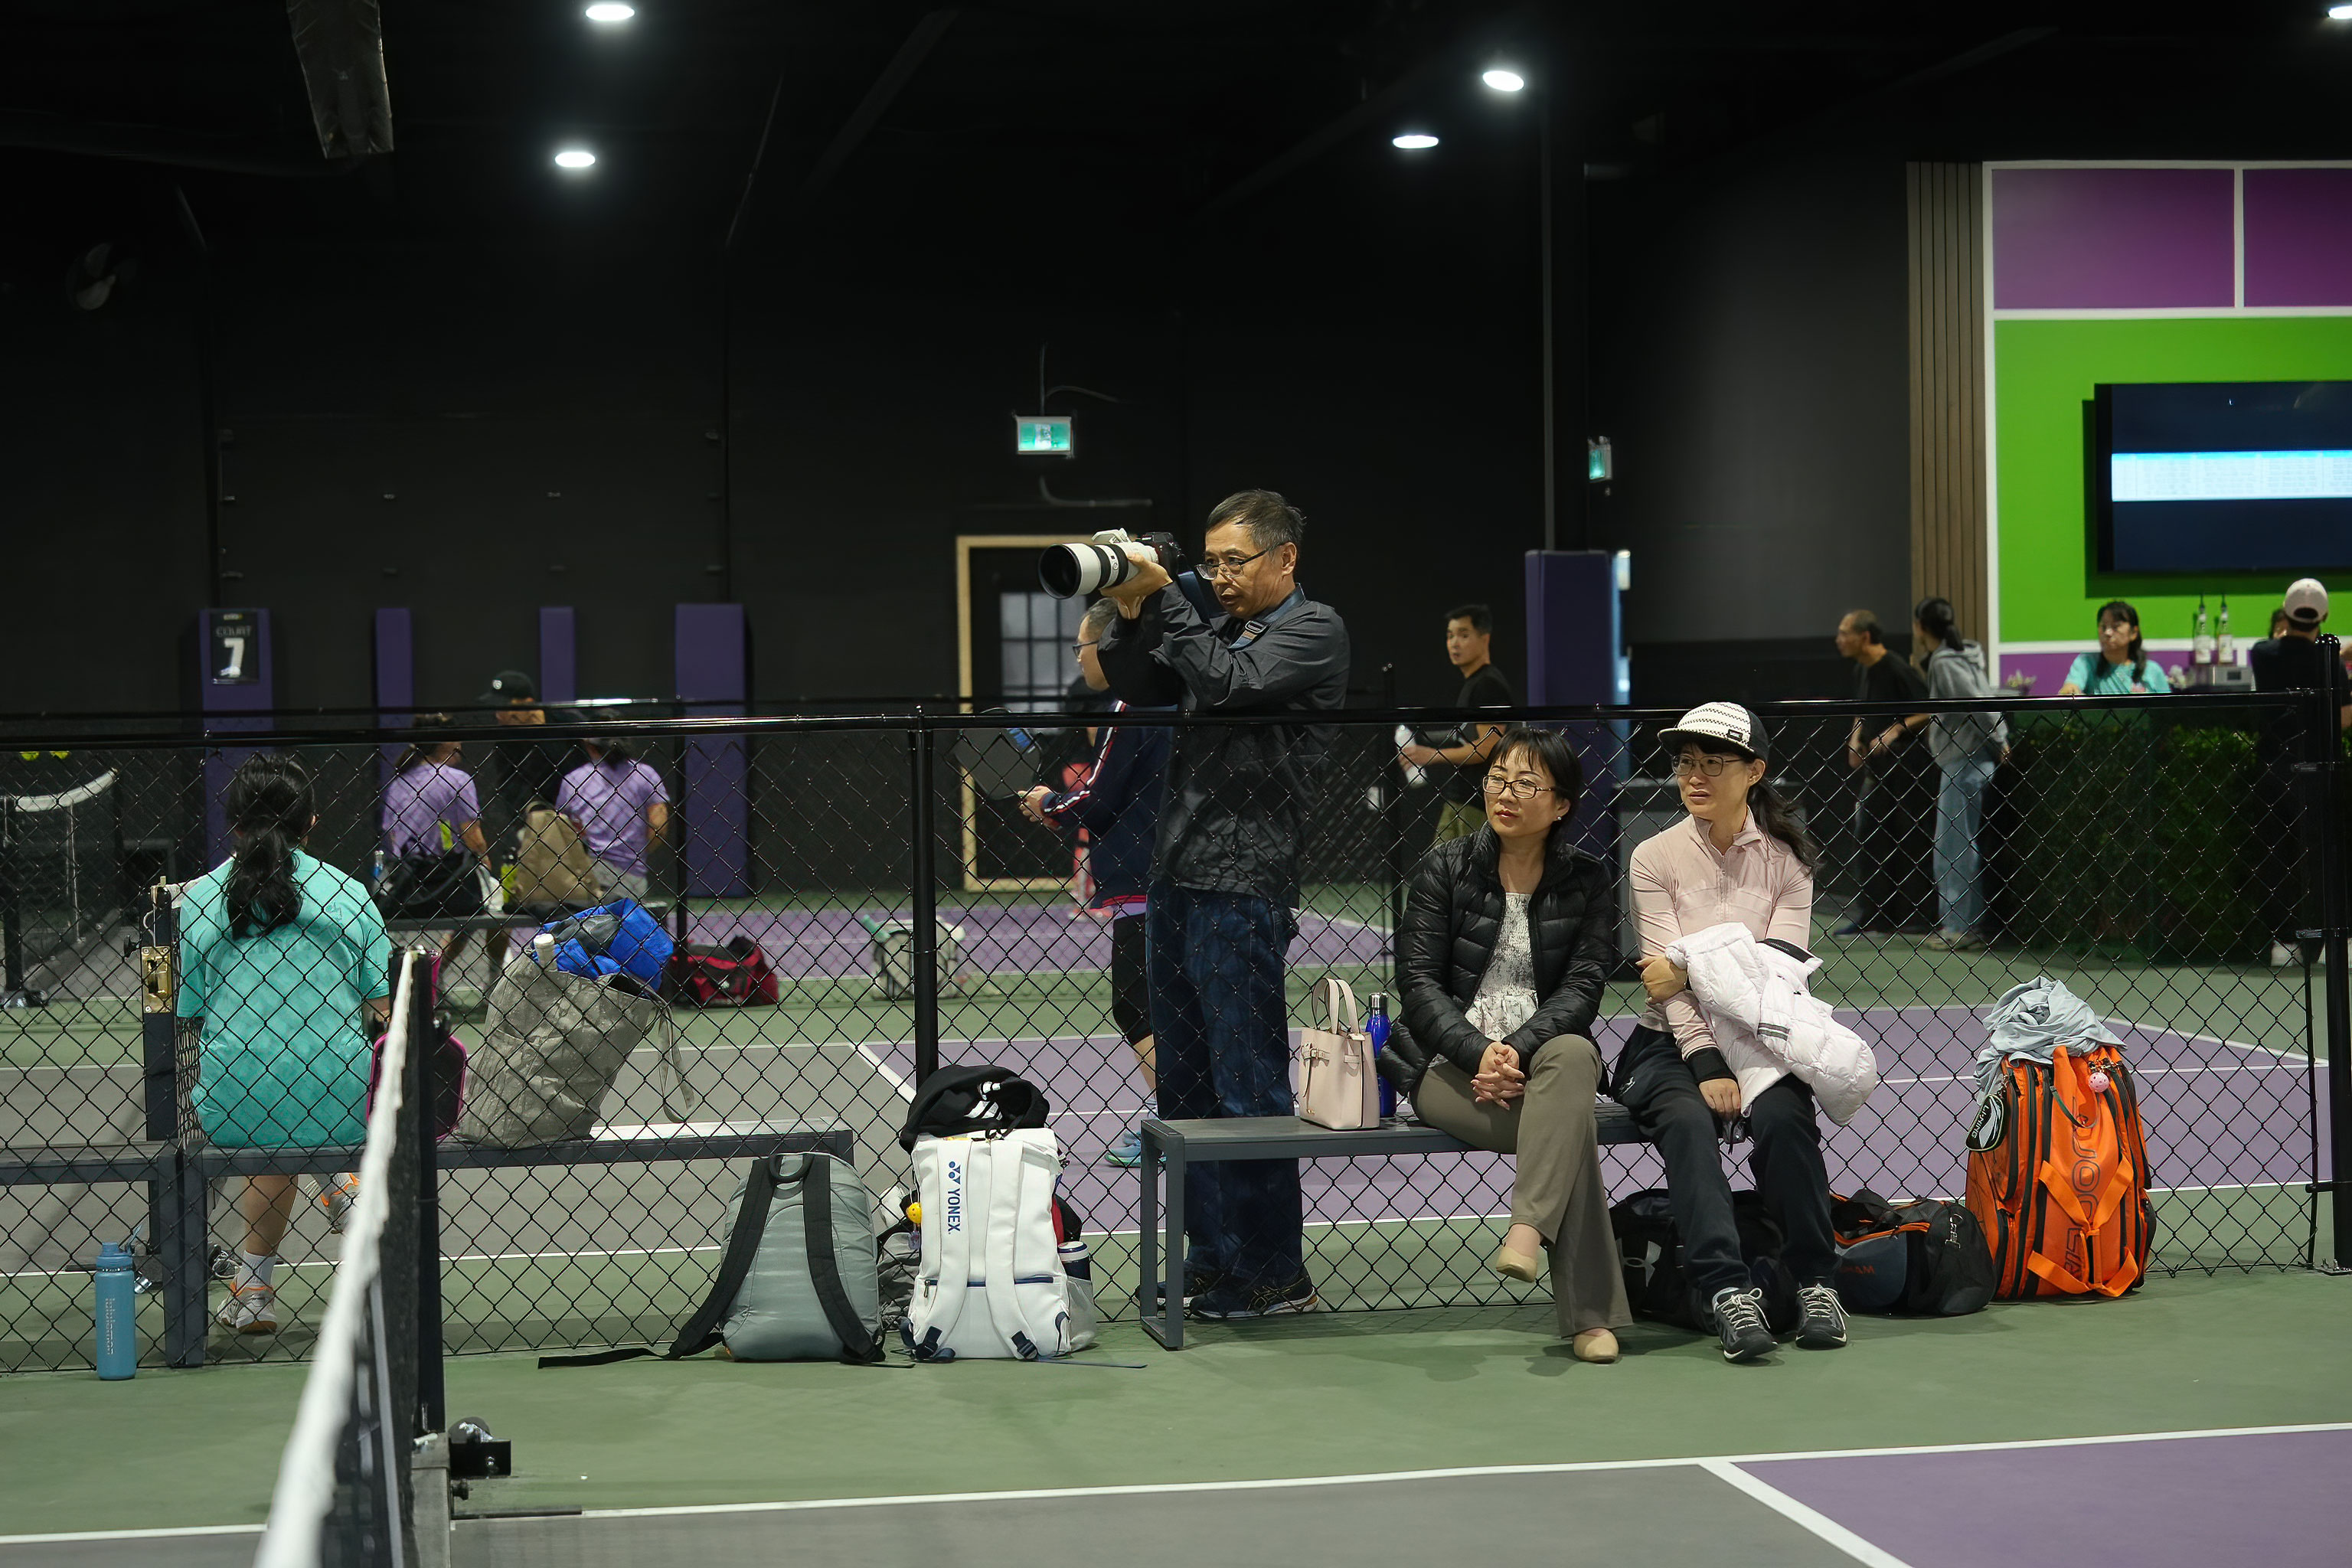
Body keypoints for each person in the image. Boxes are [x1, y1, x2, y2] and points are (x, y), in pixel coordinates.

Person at [1096, 488, 1351, 1321]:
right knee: (1185, 1089)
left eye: (1234, 561)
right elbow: (1139, 682)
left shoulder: (1313, 631)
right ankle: (1211, 1258)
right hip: (1176, 875)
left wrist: (1170, 597)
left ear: (1286, 557)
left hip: (1242, 881)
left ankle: (1275, 1271)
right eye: (1209, 563)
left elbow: (1232, 684)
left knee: (1247, 1088)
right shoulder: (1216, 625)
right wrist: (1132, 607)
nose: (1220, 577)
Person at [1380, 726, 1628, 1363]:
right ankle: (1590, 1316)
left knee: (1575, 1053)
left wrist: (1515, 1049)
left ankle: (1526, 1226)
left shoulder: (1587, 880)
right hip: (1446, 1066)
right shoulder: (1445, 865)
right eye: (1497, 779)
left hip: (1542, 1063)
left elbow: (1583, 988)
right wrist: (1477, 1053)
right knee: (1569, 1132)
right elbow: (1418, 984)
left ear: (1562, 804)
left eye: (1525, 784)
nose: (1505, 794)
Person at [1621, 702, 1846, 1363]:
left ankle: (1816, 1282)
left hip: (1762, 1034)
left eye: (1713, 763)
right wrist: (1707, 1061)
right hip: (1667, 1043)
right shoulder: (1653, 857)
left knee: (1783, 1117)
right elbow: (1662, 987)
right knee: (1688, 1122)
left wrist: (1693, 966)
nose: (1694, 776)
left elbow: (1777, 979)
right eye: (1686, 763)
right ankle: (1726, 1291)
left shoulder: (1788, 862)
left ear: (1754, 772)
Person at [178, 754, 391, 1334]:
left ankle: (253, 1291)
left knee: (270, 1111)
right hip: (342, 1095)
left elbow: (191, 1009)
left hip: (236, 1097)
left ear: (233, 824)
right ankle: (341, 1182)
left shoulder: (199, 899)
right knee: (309, 1094)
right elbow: (382, 1009)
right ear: (311, 823)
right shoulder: (350, 894)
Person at [1020, 598, 1171, 1170]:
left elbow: (1099, 797)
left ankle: (1175, 1122)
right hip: (1180, 877)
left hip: (1142, 882)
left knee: (1137, 1007)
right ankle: (1201, 1118)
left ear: (1109, 646)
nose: (1078, 657)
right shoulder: (1179, 696)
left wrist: (1049, 804)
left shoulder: (1129, 707)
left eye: (1081, 645)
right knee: (1177, 1007)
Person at [1862, 598, 2007, 953]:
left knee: (1953, 846)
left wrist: (2000, 737)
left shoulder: (1944, 661)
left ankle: (1960, 927)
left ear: (1920, 627)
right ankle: (1963, 924)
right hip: (1967, 760)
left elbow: (1976, 701)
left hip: (1964, 761)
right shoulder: (1961, 656)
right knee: (1957, 843)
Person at [2249, 578, 2352, 966]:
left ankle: (2282, 942)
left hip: (2273, 768)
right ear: (2323, 616)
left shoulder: (2263, 654)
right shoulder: (2330, 661)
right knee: (2324, 857)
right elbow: (2343, 719)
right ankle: (2329, 942)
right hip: (2318, 771)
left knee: (2275, 857)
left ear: (2286, 612)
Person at [1834, 609, 1932, 938]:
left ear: (1864, 637)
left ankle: (1916, 916)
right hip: (1878, 771)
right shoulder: (1863, 669)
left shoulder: (1895, 667)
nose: (1838, 640)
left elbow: (1929, 708)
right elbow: (1861, 710)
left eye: (1845, 633)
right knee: (1869, 838)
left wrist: (1895, 729)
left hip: (1907, 771)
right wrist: (1855, 739)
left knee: (1910, 841)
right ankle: (1874, 915)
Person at [1399, 603, 1514, 848]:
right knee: (1441, 868)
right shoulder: (1474, 683)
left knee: (1467, 869)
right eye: (1450, 636)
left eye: (1463, 635)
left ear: (1485, 638)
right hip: (1460, 800)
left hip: (1477, 802)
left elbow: (1487, 748)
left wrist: (1430, 755)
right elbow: (1467, 737)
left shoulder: (1488, 685)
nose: (1454, 643)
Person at [381, 717, 492, 965]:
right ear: (444, 742)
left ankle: (418, 970)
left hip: (408, 888)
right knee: (497, 909)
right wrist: (486, 863)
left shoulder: (398, 783)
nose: (461, 744)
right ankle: (456, 969)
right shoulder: (458, 779)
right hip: (454, 887)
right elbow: (473, 837)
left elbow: (394, 837)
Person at [556, 738, 670, 901]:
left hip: (587, 872)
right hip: (631, 873)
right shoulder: (645, 774)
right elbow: (658, 826)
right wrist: (638, 854)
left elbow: (562, 826)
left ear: (589, 746)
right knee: (627, 916)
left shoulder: (573, 780)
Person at [2056, 601, 2171, 695]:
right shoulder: (2086, 662)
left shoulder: (2152, 671)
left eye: (2116, 627)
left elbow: (2168, 709)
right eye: (2103, 627)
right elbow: (2071, 686)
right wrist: (2070, 690)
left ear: (2133, 633)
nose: (2108, 633)